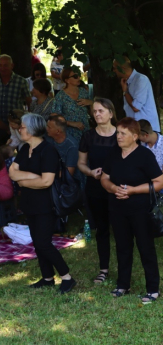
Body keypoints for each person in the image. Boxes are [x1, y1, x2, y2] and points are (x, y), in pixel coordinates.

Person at [9, 113, 76, 293]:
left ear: (31, 129)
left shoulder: (48, 151)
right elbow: (12, 173)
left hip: (46, 205)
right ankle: (47, 278)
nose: (19, 129)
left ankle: (67, 277)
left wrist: (23, 181)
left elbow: (46, 182)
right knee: (37, 243)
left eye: (22, 127)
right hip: (29, 203)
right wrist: (32, 178)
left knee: (43, 243)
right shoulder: (24, 149)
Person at [101, 117, 163, 303]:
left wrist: (133, 190)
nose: (118, 137)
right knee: (122, 247)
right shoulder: (113, 153)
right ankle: (123, 284)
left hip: (140, 209)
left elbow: (159, 182)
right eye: (117, 133)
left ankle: (152, 289)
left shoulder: (145, 156)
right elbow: (105, 178)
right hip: (117, 208)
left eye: (123, 133)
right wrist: (114, 189)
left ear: (135, 136)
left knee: (145, 248)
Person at [78, 98, 118, 284]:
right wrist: (91, 172)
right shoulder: (88, 136)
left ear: (111, 113)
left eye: (101, 110)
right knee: (102, 230)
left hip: (118, 189)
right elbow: (81, 163)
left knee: (121, 230)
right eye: (94, 111)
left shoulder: (121, 135)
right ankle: (104, 269)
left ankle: (124, 270)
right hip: (95, 188)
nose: (97, 114)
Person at [112, 57, 160, 132]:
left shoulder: (141, 79)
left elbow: (136, 107)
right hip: (136, 128)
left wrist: (125, 91)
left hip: (147, 130)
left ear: (122, 68)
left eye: (115, 68)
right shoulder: (126, 81)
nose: (113, 70)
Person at [52, 68, 92, 143]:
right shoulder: (61, 96)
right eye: (75, 76)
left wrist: (91, 102)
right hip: (69, 133)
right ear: (67, 80)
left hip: (85, 131)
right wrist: (71, 123)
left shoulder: (83, 91)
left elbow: (92, 112)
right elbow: (54, 117)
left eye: (79, 75)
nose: (79, 78)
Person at [0, 55, 31, 143]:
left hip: (17, 125)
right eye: (0, 65)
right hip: (1, 125)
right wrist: (6, 128)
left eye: (5, 65)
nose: (2, 68)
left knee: (20, 151)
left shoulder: (21, 81)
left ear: (12, 66)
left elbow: (29, 102)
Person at [46, 114, 84, 185]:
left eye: (49, 127)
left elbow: (68, 173)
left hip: (67, 186)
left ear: (58, 131)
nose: (46, 128)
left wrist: (46, 176)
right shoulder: (48, 139)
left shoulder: (72, 146)